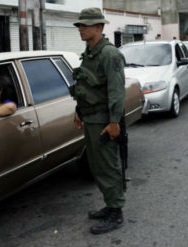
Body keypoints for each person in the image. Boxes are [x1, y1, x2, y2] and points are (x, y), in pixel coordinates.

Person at [71, 8, 126, 235]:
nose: (80, 28)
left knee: (107, 166)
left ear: (99, 27)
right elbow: (85, 86)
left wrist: (114, 123)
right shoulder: (89, 52)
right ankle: (110, 204)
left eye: (85, 25)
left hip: (104, 121)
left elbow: (116, 92)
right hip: (91, 118)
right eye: (80, 25)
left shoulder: (109, 54)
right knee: (96, 165)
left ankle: (116, 212)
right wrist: (79, 111)